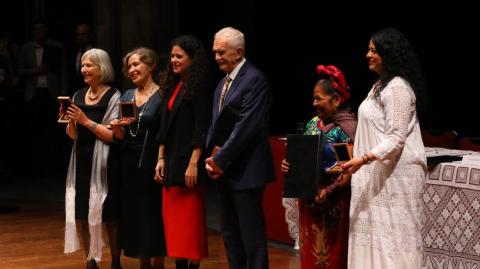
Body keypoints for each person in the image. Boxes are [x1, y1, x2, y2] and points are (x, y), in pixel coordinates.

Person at [341, 28, 427, 269]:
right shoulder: (380, 85)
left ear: (388, 54)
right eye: (368, 49)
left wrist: (363, 159)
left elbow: (396, 138)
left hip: (394, 178)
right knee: (374, 238)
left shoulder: (397, 88)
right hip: (376, 175)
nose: (368, 54)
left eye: (374, 50)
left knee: (393, 242)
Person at [205, 26, 275, 269]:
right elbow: (217, 127)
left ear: (239, 52)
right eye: (215, 52)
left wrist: (219, 160)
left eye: (221, 52)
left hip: (247, 171)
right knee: (231, 236)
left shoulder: (255, 80)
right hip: (226, 170)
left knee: (251, 238)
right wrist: (211, 157)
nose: (217, 57)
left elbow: (248, 127)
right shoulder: (222, 84)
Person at [281, 65, 357, 269]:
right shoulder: (312, 124)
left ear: (337, 100)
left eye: (319, 98)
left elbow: (345, 171)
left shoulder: (343, 131)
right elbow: (301, 158)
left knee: (330, 258)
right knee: (310, 256)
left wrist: (327, 190)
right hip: (309, 200)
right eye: (313, 98)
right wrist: (289, 166)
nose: (314, 103)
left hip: (333, 205)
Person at [154, 35, 212, 269]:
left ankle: (193, 265)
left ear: (192, 58)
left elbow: (201, 127)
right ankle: (179, 264)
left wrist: (193, 163)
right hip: (170, 160)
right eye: (172, 56)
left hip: (188, 161)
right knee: (174, 222)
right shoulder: (172, 84)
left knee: (191, 220)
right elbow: (163, 127)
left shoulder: (199, 87)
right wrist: (159, 158)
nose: (174, 61)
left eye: (179, 56)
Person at [63, 48, 122, 269]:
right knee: (82, 214)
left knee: (110, 216)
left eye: (89, 65)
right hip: (82, 162)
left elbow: (112, 137)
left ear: (101, 68)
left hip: (107, 164)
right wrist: (70, 123)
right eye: (83, 65)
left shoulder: (114, 96)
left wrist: (85, 121)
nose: (84, 69)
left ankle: (116, 263)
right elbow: (74, 136)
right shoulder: (78, 95)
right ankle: (90, 261)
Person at [111, 47, 166, 269]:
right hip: (130, 164)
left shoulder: (163, 95)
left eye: (136, 64)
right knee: (136, 215)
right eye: (129, 67)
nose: (132, 70)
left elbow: (165, 132)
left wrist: (162, 158)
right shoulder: (126, 96)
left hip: (153, 161)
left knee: (154, 213)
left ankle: (159, 263)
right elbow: (121, 136)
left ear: (150, 65)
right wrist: (117, 128)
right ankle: (144, 263)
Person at [18, 18, 68, 179]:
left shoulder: (56, 47)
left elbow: (63, 71)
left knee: (52, 131)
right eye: (36, 29)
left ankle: (54, 169)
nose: (39, 32)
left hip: (52, 93)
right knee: (34, 131)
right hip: (33, 93)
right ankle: (35, 169)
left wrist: (63, 95)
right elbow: (19, 71)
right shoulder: (26, 49)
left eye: (41, 29)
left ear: (46, 30)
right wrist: (36, 71)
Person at [69, 22, 94, 93]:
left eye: (83, 34)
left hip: (91, 91)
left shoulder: (95, 52)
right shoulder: (72, 52)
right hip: (75, 92)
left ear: (90, 35)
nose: (80, 38)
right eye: (78, 35)